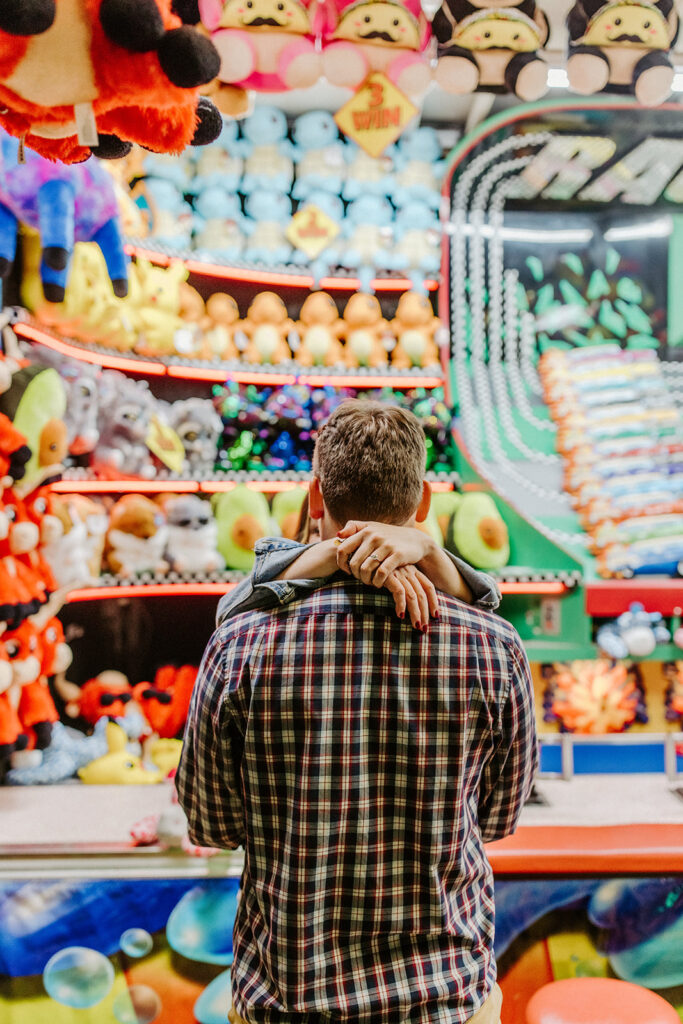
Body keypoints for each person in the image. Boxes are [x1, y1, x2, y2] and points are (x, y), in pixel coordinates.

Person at [177, 401, 537, 1024]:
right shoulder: (493, 647)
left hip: (291, 1000)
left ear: (315, 496)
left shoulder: (242, 645)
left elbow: (210, 826)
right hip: (448, 999)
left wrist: (302, 567)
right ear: (424, 503)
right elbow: (501, 817)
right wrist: (437, 559)